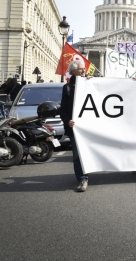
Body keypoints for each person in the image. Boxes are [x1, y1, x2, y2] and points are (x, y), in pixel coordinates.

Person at [60, 60, 90, 192]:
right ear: (73, 71)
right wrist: (68, 120)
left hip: (91, 127)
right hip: (75, 127)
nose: (84, 71)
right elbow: (63, 109)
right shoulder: (67, 88)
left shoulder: (91, 83)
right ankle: (82, 179)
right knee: (77, 155)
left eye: (84, 69)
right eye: (81, 69)